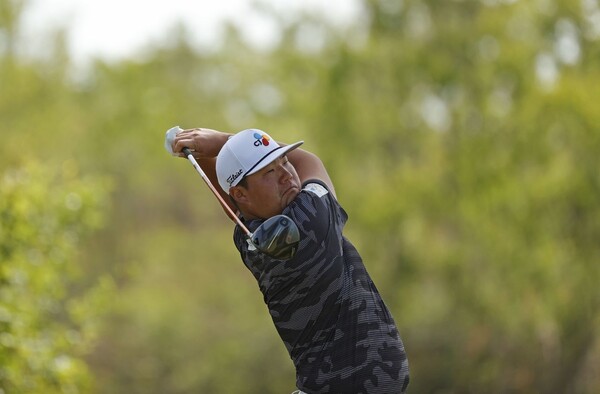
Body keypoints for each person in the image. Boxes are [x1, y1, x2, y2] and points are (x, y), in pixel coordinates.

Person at [171, 127, 410, 394]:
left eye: (283, 161)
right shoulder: (311, 219)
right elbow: (310, 162)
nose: (286, 175)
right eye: (270, 172)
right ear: (240, 193)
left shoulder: (249, 238)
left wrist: (207, 155)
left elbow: (237, 207)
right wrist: (223, 142)